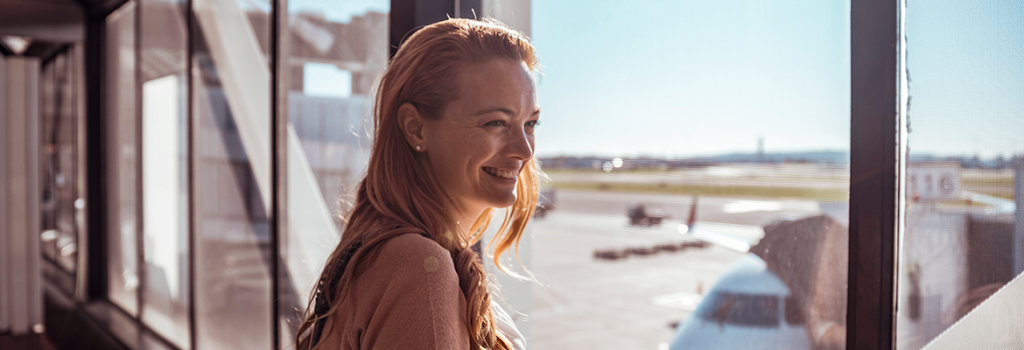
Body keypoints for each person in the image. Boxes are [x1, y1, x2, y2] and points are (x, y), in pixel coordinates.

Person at [295, 17, 541, 350]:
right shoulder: (421, 268)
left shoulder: (398, 251)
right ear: (416, 128)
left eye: (530, 123)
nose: (524, 150)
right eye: (496, 122)